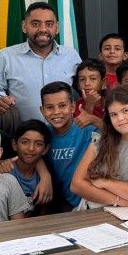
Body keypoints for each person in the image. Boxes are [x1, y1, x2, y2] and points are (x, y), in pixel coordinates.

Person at [0, 1, 82, 123]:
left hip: (65, 131)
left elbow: (87, 87)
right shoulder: (5, 57)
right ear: (24, 26)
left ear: (57, 27)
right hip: (24, 133)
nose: (43, 29)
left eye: (49, 24)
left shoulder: (71, 55)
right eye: (35, 24)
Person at [40, 81, 98, 211]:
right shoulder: (43, 133)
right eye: (49, 107)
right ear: (42, 110)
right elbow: (31, 155)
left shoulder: (86, 129)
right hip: (57, 203)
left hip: (86, 202)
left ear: (72, 107)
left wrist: (95, 120)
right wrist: (44, 175)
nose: (56, 112)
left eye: (62, 106)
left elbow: (114, 135)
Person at [8, 120, 54, 215]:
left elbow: (43, 215)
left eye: (38, 144)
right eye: (25, 142)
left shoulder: (44, 180)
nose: (31, 148)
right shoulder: (5, 171)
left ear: (45, 149)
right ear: (14, 145)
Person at [72, 58, 106, 130]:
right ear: (78, 85)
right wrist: (89, 106)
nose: (87, 83)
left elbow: (112, 130)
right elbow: (82, 131)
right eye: (82, 79)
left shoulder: (111, 101)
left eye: (93, 78)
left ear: (103, 82)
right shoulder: (76, 106)